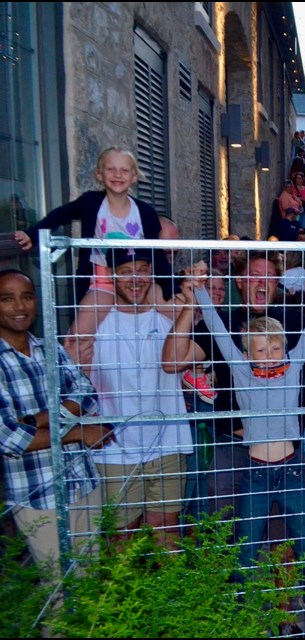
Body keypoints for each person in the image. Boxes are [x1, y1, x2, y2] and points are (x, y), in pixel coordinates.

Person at [189, 278, 305, 633]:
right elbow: (218, 329)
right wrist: (200, 292)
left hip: (291, 469)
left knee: (304, 539)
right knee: (247, 545)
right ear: (248, 352)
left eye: (273, 347)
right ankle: (244, 609)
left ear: (283, 348)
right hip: (255, 471)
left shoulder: (294, 364)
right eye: (259, 349)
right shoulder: (240, 369)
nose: (267, 355)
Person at [0, 269, 112, 568]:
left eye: (26, 297)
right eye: (7, 299)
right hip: (38, 494)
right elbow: (9, 439)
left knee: (89, 582)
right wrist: (76, 432)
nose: (19, 306)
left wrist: (36, 420)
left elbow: (86, 392)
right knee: (60, 590)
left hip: (82, 483)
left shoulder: (49, 349)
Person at [86, 248, 193, 549]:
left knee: (166, 537)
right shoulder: (94, 324)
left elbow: (184, 357)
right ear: (111, 274)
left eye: (143, 269)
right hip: (115, 450)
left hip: (167, 445)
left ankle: (168, 598)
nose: (136, 278)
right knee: (121, 541)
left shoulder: (168, 320)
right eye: (126, 270)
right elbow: (74, 381)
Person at [13, 146, 174, 305]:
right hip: (102, 279)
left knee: (174, 310)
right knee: (82, 328)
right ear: (99, 174)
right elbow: (59, 215)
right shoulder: (90, 202)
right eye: (110, 169)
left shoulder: (146, 212)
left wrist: (171, 289)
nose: (117, 174)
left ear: (134, 176)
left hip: (137, 281)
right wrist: (32, 234)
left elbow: (157, 254)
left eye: (124, 170)